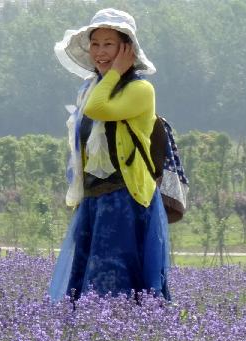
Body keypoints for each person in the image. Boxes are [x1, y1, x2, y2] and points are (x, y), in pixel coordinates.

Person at [49, 8, 171, 302]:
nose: (100, 52)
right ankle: (91, 339)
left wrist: (116, 71)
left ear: (126, 49)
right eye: (95, 44)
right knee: (88, 278)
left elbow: (98, 109)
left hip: (125, 197)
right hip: (94, 198)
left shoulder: (140, 89)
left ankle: (125, 336)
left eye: (109, 44)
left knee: (116, 278)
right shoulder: (89, 89)